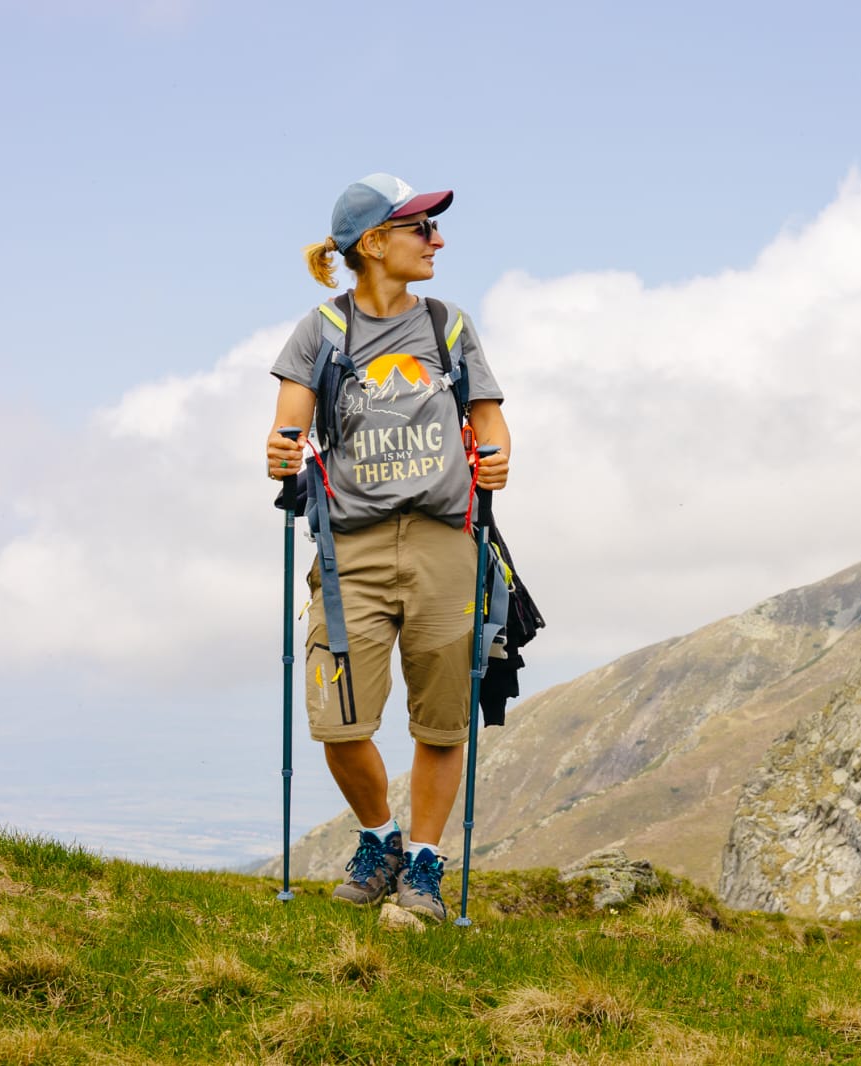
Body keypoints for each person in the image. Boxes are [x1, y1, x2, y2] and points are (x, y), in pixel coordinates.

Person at [265, 173, 510, 921]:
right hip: (351, 554)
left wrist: (499, 453)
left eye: (434, 229)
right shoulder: (320, 330)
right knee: (338, 718)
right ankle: (381, 839)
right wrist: (281, 451)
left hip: (445, 544)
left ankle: (425, 866)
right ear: (373, 245)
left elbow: (490, 421)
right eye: (421, 229)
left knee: (441, 719)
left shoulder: (448, 326)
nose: (437, 241)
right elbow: (289, 422)